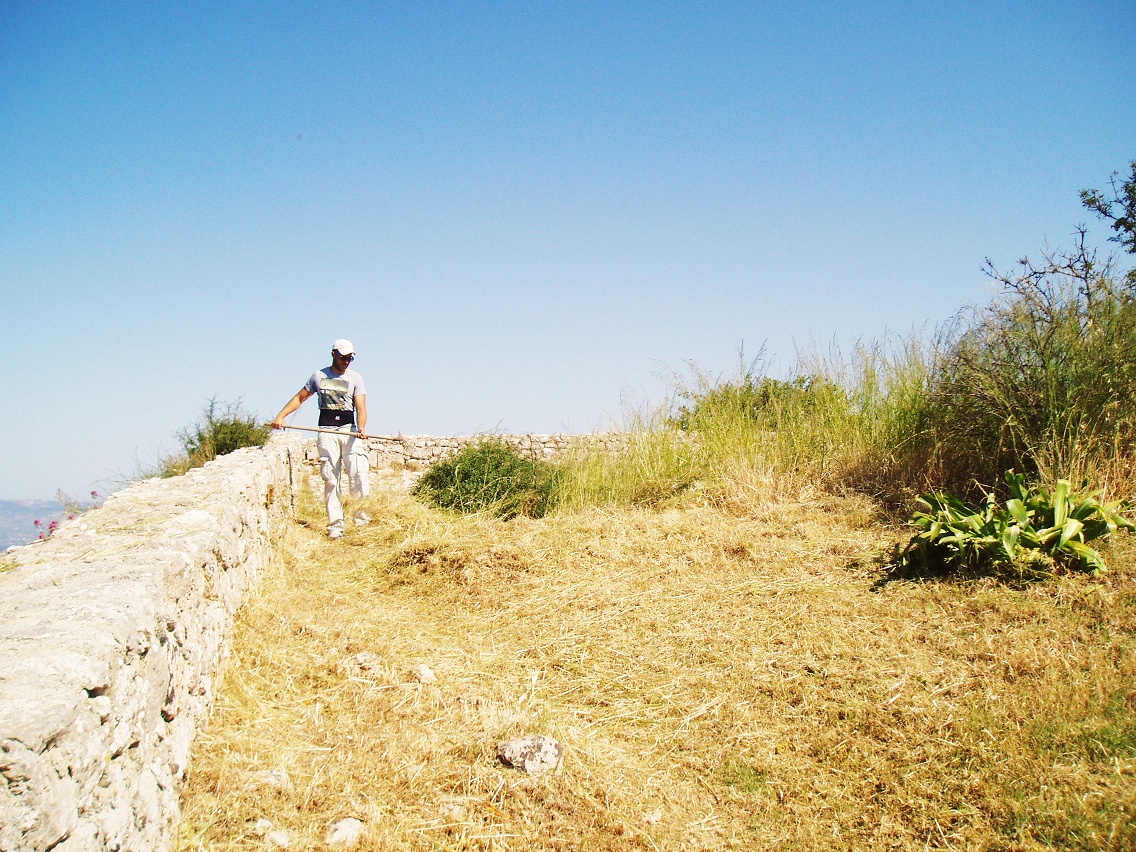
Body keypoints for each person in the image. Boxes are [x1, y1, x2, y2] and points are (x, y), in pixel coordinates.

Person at [272, 339, 371, 539]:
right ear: (334, 354)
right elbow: (300, 398)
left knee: (359, 475)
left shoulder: (356, 378)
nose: (346, 362)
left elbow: (361, 407)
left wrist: (361, 427)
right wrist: (281, 417)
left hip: (348, 430)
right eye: (343, 357)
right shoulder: (319, 376)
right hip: (327, 431)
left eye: (350, 358)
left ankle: (362, 522)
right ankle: (336, 526)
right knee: (331, 479)